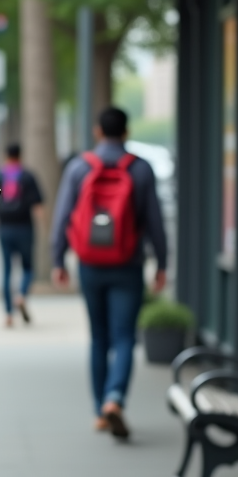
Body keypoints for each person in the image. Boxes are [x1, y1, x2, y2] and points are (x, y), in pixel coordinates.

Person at [50, 106, 168, 439]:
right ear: (126, 132)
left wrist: (58, 260)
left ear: (98, 132)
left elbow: (62, 218)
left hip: (90, 265)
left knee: (99, 337)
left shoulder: (79, 167)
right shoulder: (141, 169)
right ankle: (116, 397)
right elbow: (155, 222)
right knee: (125, 337)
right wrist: (162, 263)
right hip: (128, 265)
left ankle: (100, 410)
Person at [0, 142, 44, 327]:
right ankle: (21, 295)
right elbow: (38, 205)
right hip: (25, 228)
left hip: (4, 228)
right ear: (20, 155)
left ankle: (8, 315)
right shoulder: (28, 176)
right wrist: (42, 228)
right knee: (28, 268)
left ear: (6, 155)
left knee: (6, 271)